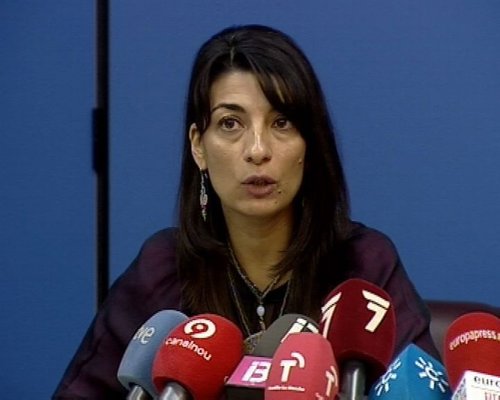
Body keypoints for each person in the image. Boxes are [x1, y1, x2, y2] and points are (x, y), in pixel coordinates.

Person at [53, 24, 439, 399]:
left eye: (281, 122)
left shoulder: (364, 266)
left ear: (309, 145)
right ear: (199, 146)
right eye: (230, 123)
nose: (257, 150)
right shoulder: (162, 271)